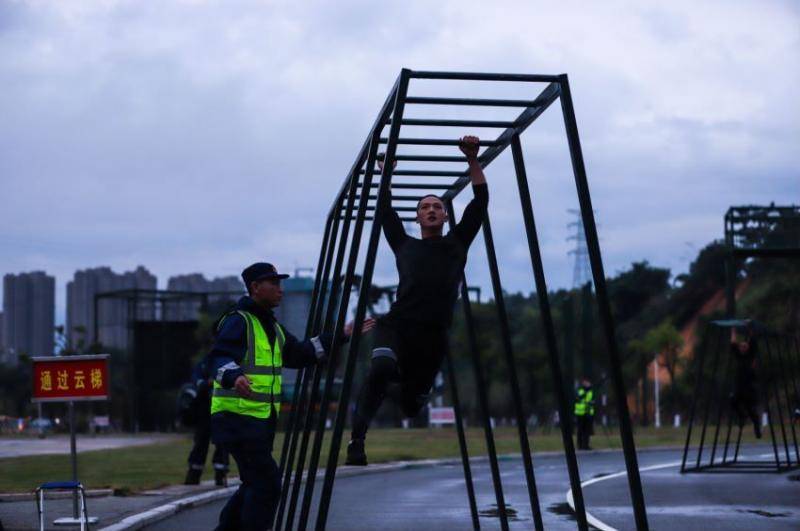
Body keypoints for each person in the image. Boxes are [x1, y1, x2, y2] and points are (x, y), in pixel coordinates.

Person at [346, 136, 489, 466]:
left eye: (437, 206)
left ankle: (393, 388)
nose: (432, 210)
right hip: (397, 325)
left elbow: (480, 201)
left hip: (433, 335)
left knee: (411, 405)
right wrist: (385, 173)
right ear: (417, 218)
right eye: (425, 207)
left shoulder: (457, 243)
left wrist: (472, 159)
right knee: (380, 366)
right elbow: (384, 210)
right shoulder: (404, 244)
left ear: (446, 217)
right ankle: (357, 441)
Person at [207, 262, 374, 531]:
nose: (280, 289)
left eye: (280, 283)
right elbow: (217, 357)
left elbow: (301, 353)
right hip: (237, 419)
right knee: (267, 485)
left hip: (256, 421)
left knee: (255, 483)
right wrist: (233, 376)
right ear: (255, 287)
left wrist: (341, 335)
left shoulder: (272, 327)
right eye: (273, 283)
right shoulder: (240, 321)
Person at [183, 359, 230, 486]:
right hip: (204, 411)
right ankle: (194, 473)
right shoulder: (204, 363)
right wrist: (207, 384)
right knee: (201, 442)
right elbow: (196, 380)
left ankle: (220, 473)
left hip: (220, 409)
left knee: (222, 443)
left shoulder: (225, 362)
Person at [729, 324, 762, 439]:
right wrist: (733, 331)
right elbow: (733, 343)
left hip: (749, 387)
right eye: (741, 346)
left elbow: (752, 339)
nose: (742, 347)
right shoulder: (738, 355)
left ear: (747, 347)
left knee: (751, 410)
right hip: (739, 386)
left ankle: (757, 428)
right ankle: (742, 416)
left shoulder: (750, 354)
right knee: (733, 400)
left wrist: (749, 328)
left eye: (745, 346)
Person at [574, 377, 595, 450]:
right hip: (580, 413)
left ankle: (586, 445)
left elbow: (591, 399)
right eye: (586, 382)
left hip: (588, 412)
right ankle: (580, 445)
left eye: (588, 382)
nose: (588, 384)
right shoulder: (580, 389)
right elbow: (580, 397)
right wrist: (587, 390)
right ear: (583, 382)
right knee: (580, 429)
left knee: (587, 430)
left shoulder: (591, 390)